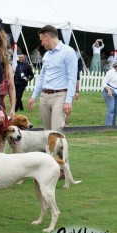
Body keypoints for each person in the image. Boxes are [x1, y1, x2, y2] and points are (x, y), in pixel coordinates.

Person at [28, 25, 77, 179]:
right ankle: (51, 166)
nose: (42, 43)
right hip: (45, 96)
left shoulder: (68, 52)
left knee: (57, 133)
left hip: (60, 96)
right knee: (48, 134)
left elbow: (72, 78)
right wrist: (34, 96)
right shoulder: (47, 55)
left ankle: (63, 168)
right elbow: (42, 76)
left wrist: (68, 101)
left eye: (42, 40)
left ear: (48, 37)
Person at [102, 61, 117, 126]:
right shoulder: (110, 72)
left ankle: (113, 126)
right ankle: (108, 126)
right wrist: (108, 90)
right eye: (116, 67)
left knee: (115, 110)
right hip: (108, 91)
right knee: (111, 108)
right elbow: (104, 83)